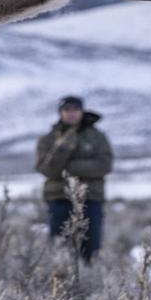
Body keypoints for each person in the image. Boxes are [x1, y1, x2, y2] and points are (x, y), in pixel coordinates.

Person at [35, 95, 114, 262]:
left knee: (91, 249)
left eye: (75, 110)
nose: (71, 114)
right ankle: (60, 285)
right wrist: (63, 148)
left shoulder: (97, 137)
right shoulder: (48, 139)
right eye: (67, 110)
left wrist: (69, 167)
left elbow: (105, 165)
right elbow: (46, 169)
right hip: (59, 198)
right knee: (59, 248)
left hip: (91, 198)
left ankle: (90, 282)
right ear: (60, 112)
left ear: (81, 111)